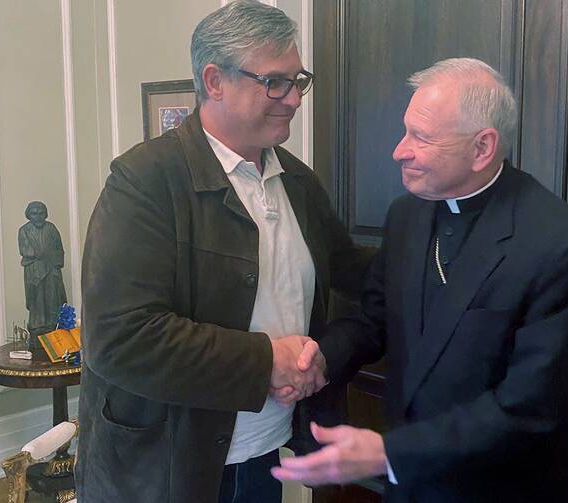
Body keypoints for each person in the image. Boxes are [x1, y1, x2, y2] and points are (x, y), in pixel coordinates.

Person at [272, 58, 568, 502]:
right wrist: (320, 359)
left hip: (504, 488)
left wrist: (389, 453)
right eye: (405, 130)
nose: (399, 150)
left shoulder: (563, 243)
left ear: (482, 148)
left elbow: (532, 406)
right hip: (413, 485)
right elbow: (375, 320)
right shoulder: (407, 215)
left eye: (421, 137)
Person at [76, 2, 368, 502]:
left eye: (299, 80)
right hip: (163, 470)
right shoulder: (145, 182)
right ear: (214, 81)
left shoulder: (297, 182)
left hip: (263, 453)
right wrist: (265, 361)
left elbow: (355, 280)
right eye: (275, 81)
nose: (294, 98)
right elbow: (120, 339)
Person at [18, 201, 67, 333]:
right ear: (29, 215)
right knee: (37, 297)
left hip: (51, 268)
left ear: (45, 214)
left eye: (41, 213)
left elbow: (59, 249)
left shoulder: (51, 228)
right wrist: (40, 253)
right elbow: (25, 250)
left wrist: (55, 262)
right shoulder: (24, 230)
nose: (38, 216)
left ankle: (52, 323)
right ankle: (37, 324)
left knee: (52, 296)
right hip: (33, 270)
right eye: (34, 214)